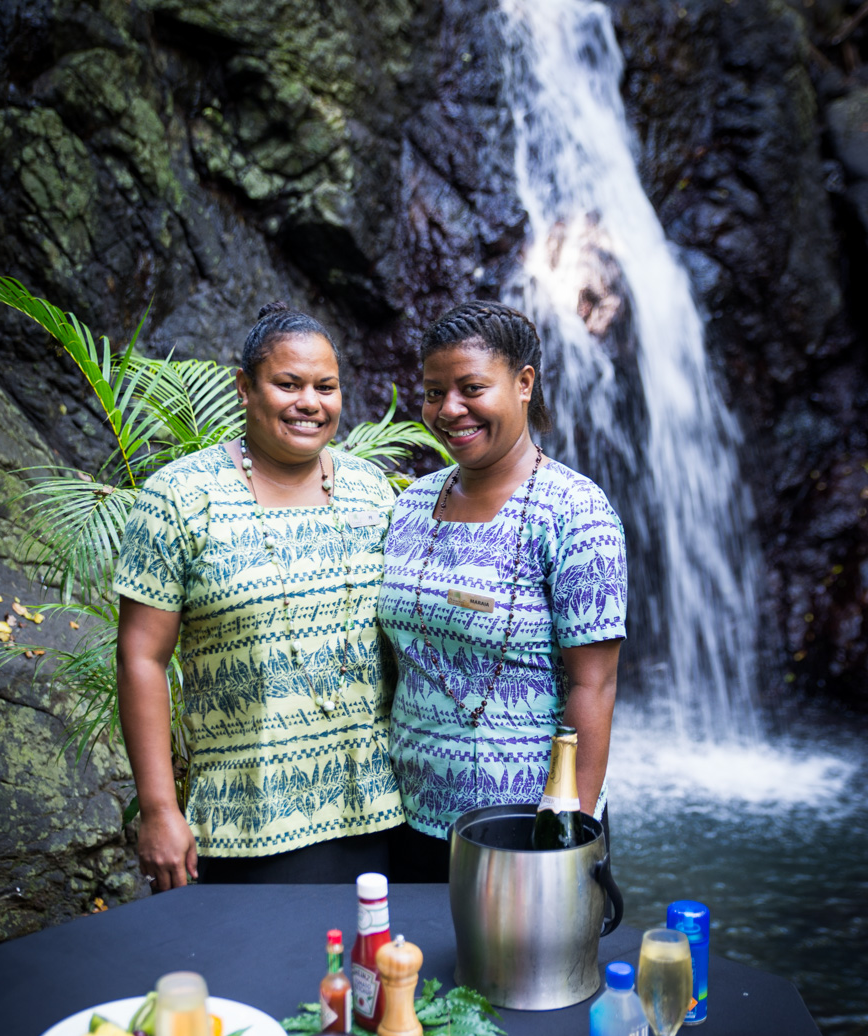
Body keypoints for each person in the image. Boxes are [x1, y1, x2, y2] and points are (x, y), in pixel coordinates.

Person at [114, 302, 402, 889]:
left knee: (376, 977)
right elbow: (141, 657)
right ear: (245, 387)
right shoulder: (180, 497)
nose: (310, 403)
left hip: (383, 812)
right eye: (288, 384)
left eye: (326, 386)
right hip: (249, 821)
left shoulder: (371, 491)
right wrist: (159, 809)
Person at [378, 300, 627, 882]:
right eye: (434, 392)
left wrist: (571, 828)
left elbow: (596, 684)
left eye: (471, 388)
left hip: (525, 826)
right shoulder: (414, 502)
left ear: (523, 383)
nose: (449, 409)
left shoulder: (576, 511)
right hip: (409, 815)